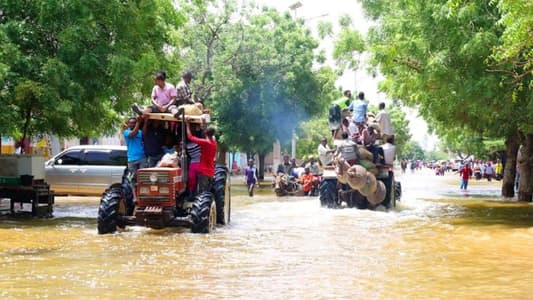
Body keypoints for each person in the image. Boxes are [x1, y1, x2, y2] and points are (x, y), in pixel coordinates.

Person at [185, 118, 217, 193]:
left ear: (205, 133)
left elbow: (190, 137)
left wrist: (187, 124)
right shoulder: (214, 143)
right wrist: (204, 123)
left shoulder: (204, 142)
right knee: (208, 193)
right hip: (211, 171)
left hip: (204, 171)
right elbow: (208, 134)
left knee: (202, 193)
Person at [124, 117, 146, 182]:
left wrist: (146, 121)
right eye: (130, 123)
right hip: (132, 159)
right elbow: (132, 134)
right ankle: (134, 192)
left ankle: (141, 192)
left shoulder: (139, 132)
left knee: (143, 178)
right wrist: (138, 122)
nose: (132, 124)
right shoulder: (126, 132)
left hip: (142, 158)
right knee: (133, 179)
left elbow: (144, 134)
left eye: (134, 123)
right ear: (128, 124)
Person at [185, 124, 202, 193]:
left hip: (200, 162)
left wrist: (187, 124)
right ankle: (191, 192)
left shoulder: (199, 140)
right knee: (191, 178)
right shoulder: (186, 143)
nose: (192, 129)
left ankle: (200, 193)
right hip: (193, 162)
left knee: (200, 180)